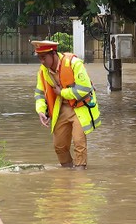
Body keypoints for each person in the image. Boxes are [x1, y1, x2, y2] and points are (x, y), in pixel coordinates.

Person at [32, 39, 102, 169]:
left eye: (43, 58)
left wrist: (62, 93)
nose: (41, 61)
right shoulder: (43, 71)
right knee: (59, 146)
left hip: (80, 107)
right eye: (39, 58)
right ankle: (67, 173)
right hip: (61, 109)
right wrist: (41, 110)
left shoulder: (74, 63)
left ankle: (80, 176)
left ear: (53, 54)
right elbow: (40, 94)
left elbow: (84, 89)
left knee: (78, 142)